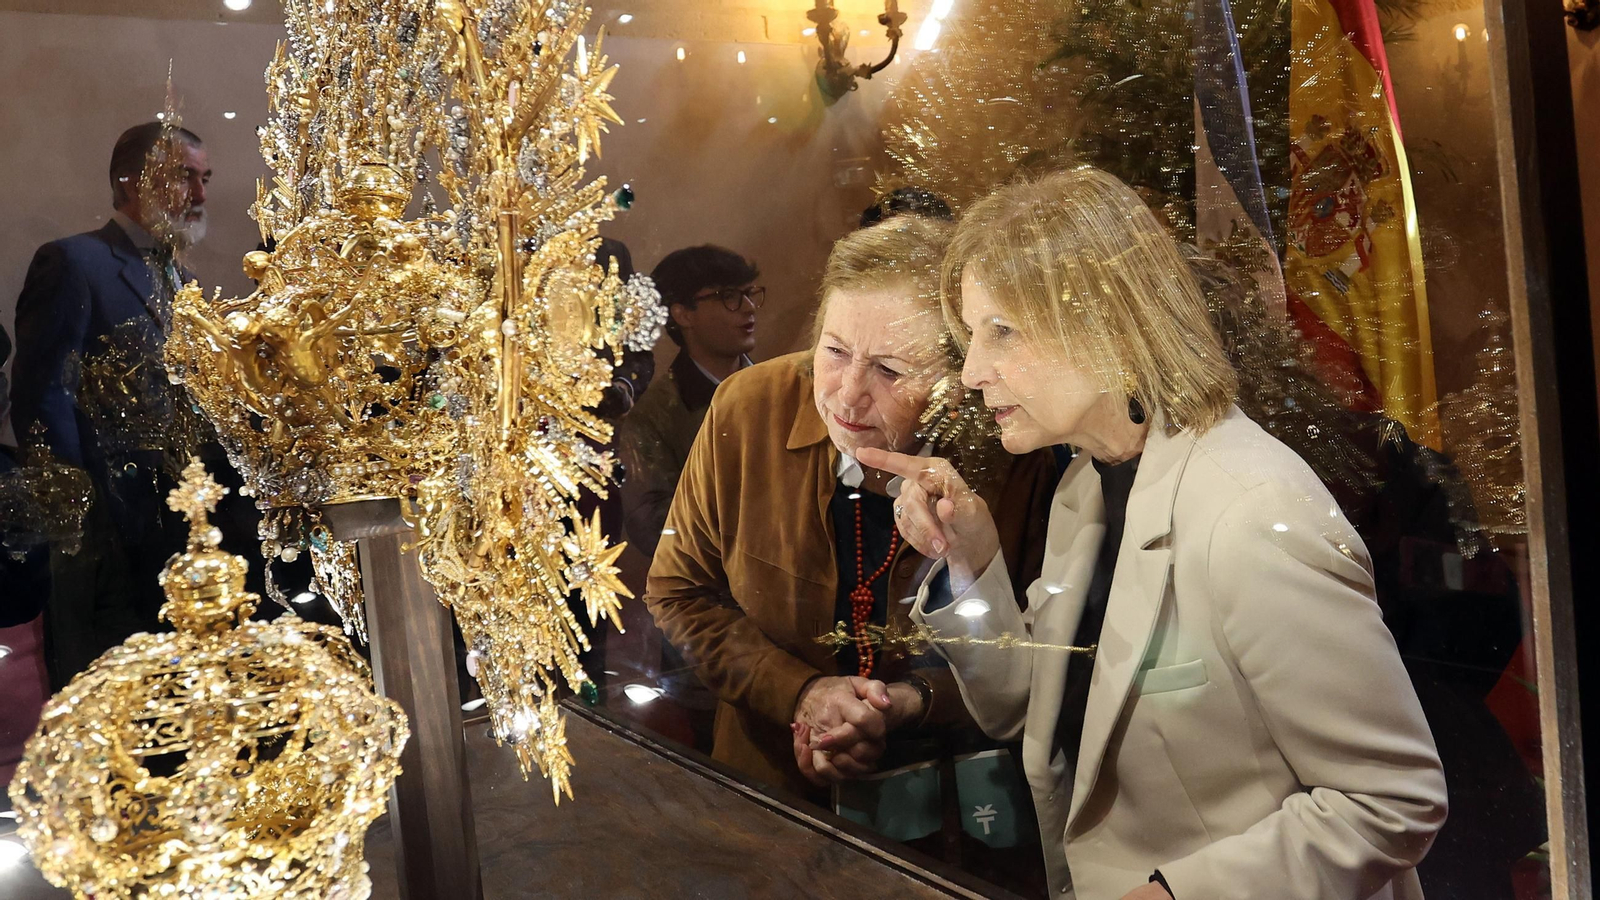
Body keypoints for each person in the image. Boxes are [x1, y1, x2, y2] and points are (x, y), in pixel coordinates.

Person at [863, 168, 1446, 900]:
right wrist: (970, 563)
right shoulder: (1086, 485)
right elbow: (1022, 707)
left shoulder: (1252, 514)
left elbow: (1391, 802)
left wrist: (1174, 895)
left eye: (1001, 330)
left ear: (1105, 321)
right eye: (972, 336)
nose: (973, 371)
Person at [643, 216, 1056, 820]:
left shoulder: (1013, 454)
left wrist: (914, 701)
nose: (845, 394)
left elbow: (1038, 653)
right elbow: (677, 591)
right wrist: (802, 693)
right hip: (767, 795)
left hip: (955, 811)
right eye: (833, 352)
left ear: (957, 376)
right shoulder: (748, 408)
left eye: (890, 369)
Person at [9, 122, 260, 685]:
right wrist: (79, 525)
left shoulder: (186, 283)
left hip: (184, 531)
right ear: (129, 180)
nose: (198, 195)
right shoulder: (75, 263)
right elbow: (42, 398)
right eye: (182, 177)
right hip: (108, 536)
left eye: (204, 179)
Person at [619, 244, 761, 559]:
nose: (749, 307)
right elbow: (652, 528)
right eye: (729, 297)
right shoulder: (653, 418)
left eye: (749, 294)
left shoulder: (783, 387)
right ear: (683, 314)